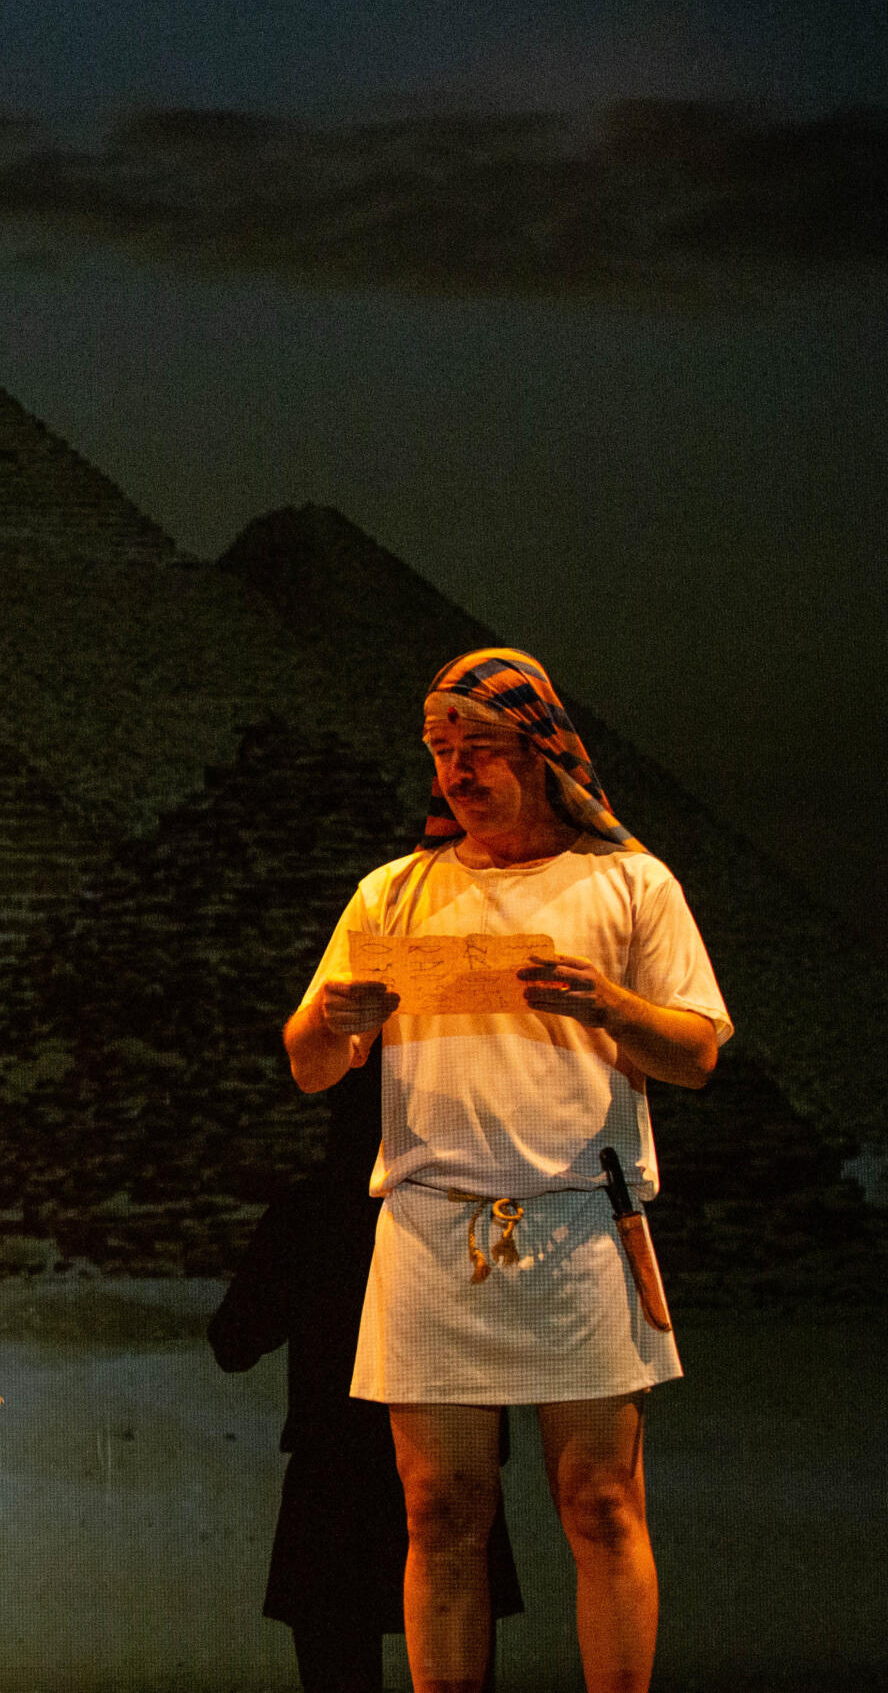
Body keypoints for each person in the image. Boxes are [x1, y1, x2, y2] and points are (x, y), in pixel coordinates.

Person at [282, 650, 729, 1693]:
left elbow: (697, 1054)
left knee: (600, 1503)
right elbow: (308, 1065)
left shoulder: (629, 884)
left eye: (476, 747)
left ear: (543, 751)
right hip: (434, 1227)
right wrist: (331, 1019)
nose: (454, 771)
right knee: (439, 1510)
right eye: (439, 751)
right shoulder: (393, 894)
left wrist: (607, 1004)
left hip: (581, 1223)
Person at [211, 1054, 523, 1693]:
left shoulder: (308, 1211)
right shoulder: (469, 1208)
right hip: (452, 1456)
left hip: (335, 1471)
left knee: (339, 1665)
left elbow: (234, 1342)